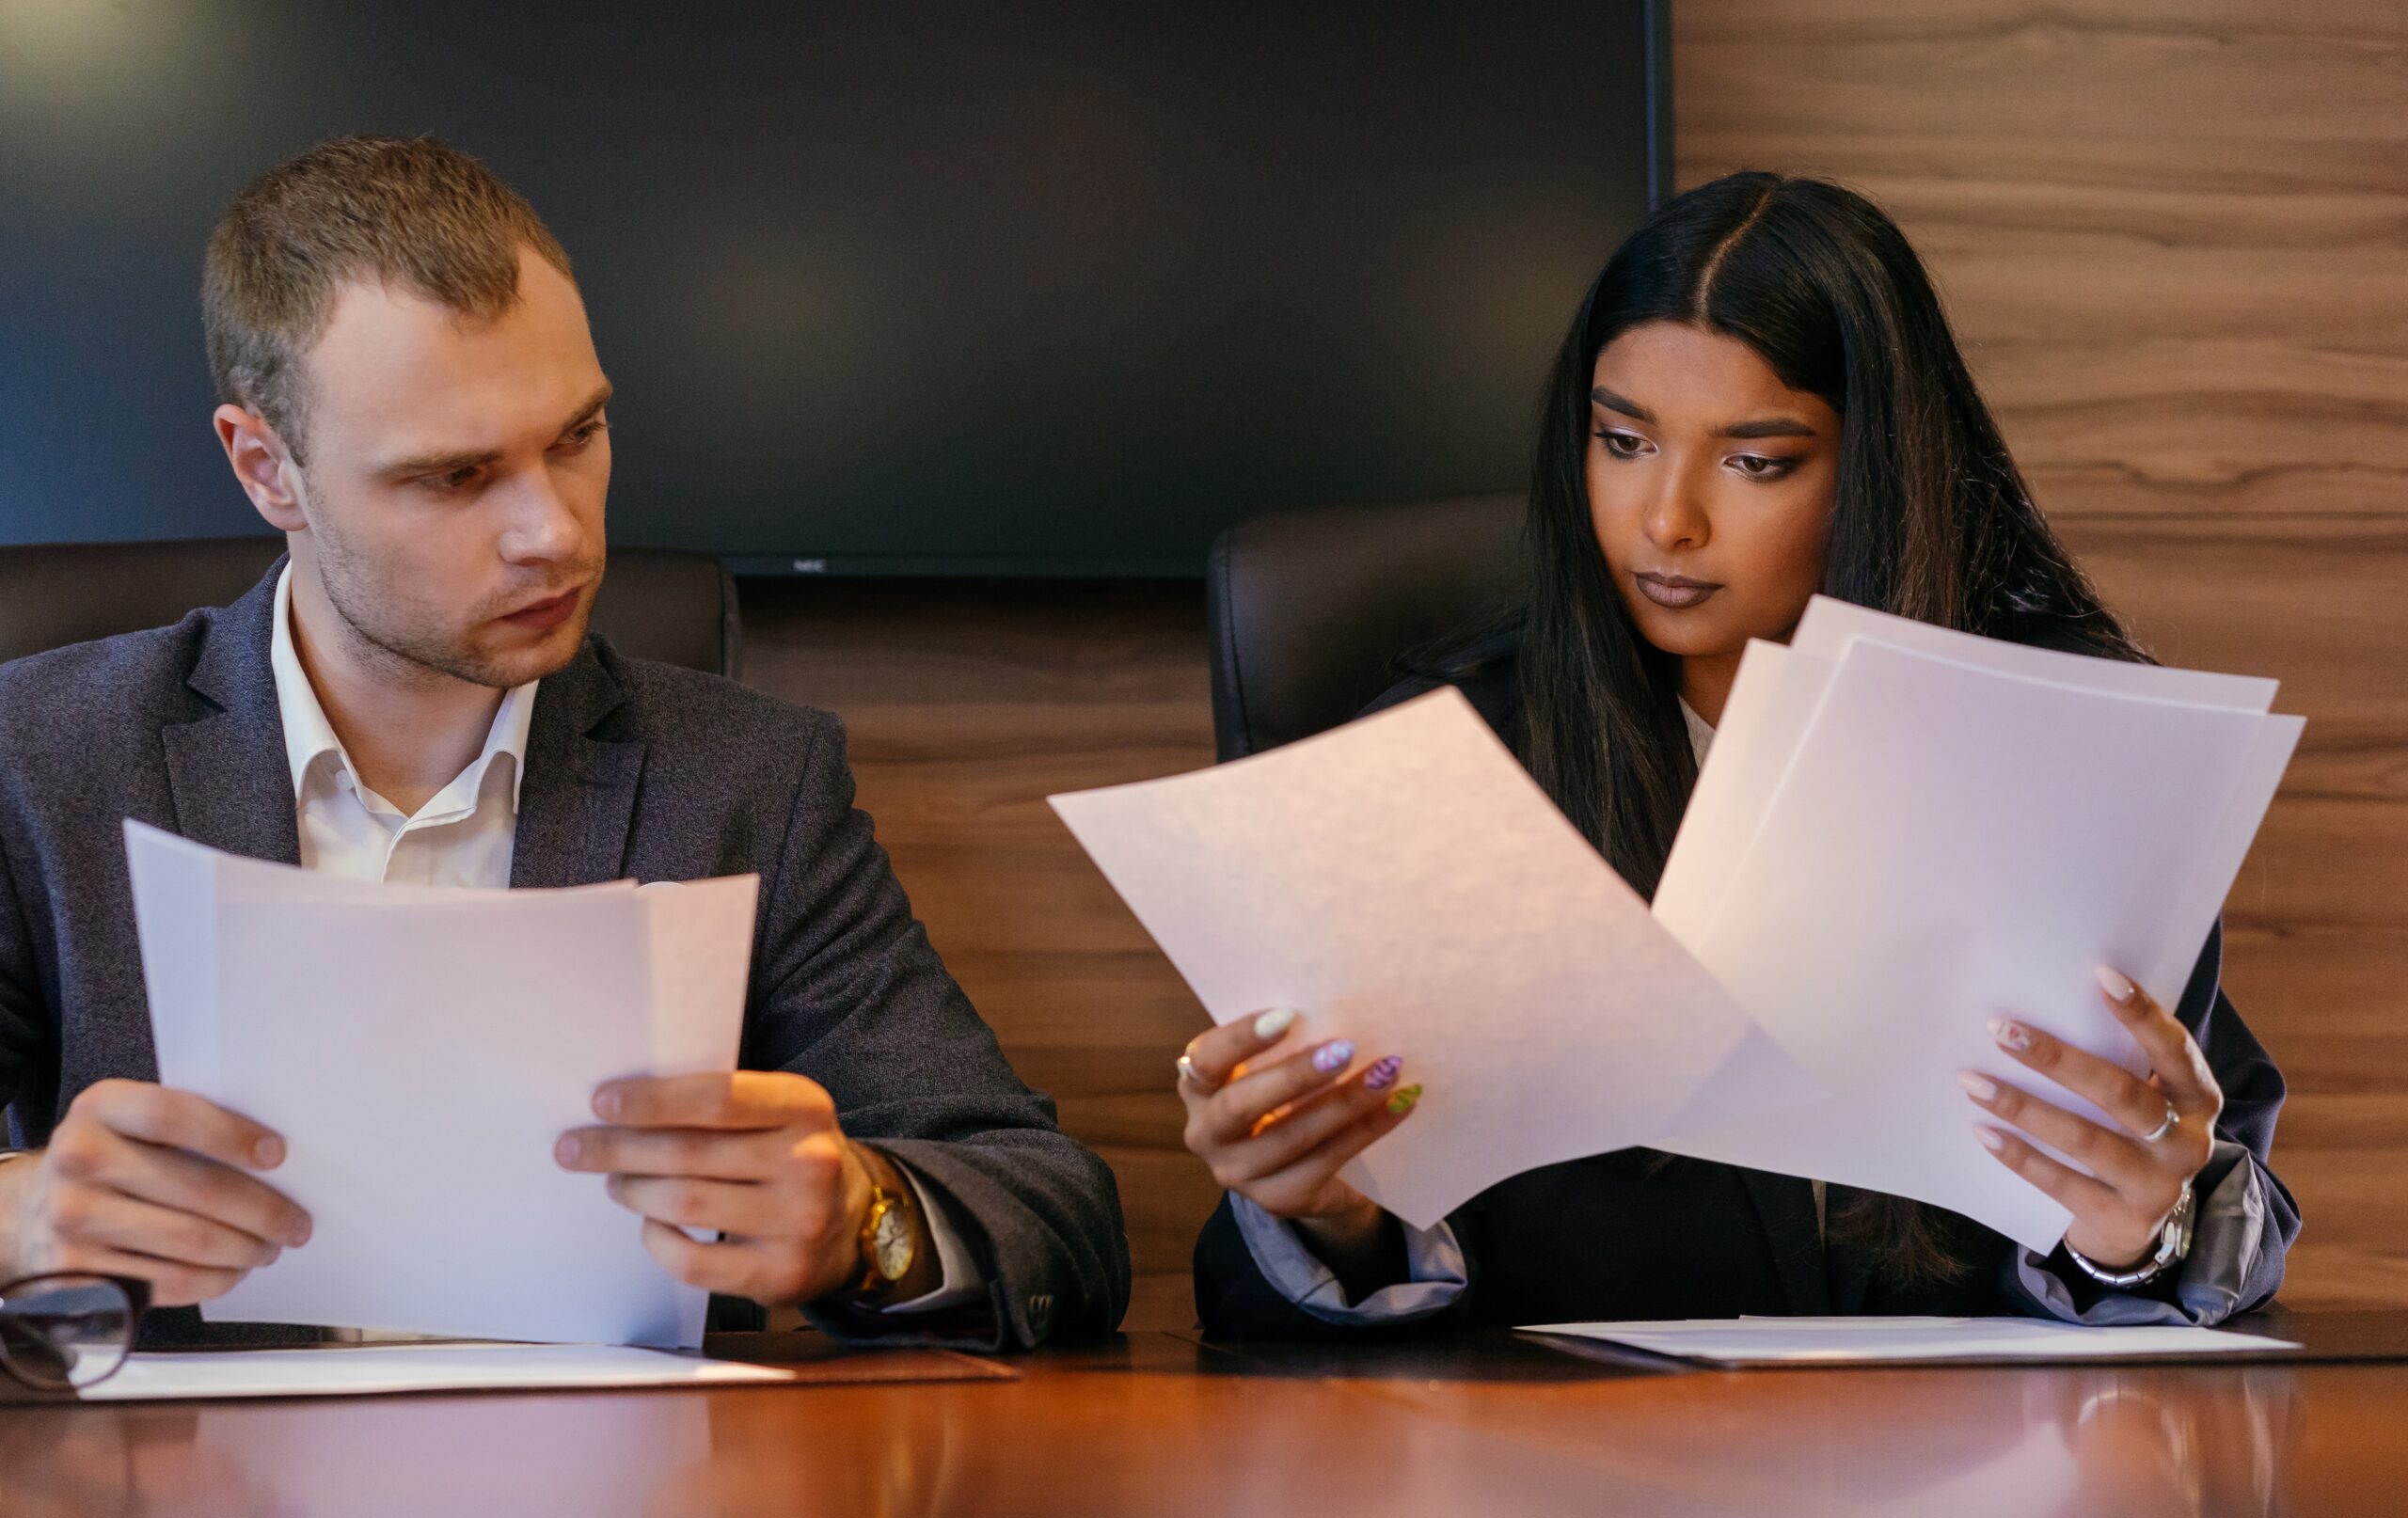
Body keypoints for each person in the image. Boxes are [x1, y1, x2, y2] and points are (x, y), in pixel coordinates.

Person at [0, 135, 1126, 1352]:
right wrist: (18, 1213)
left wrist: (866, 1218)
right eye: (455, 476)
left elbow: (1052, 1205)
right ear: (267, 467)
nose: (554, 530)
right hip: (181, 1509)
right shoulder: (41, 755)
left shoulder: (750, 777)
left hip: (620, 1509)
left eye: (577, 435)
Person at [1183, 172, 2296, 1336]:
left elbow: (2211, 1212)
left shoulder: (2069, 742)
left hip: (1971, 1476)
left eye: (1755, 462)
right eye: (1622, 441)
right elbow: (1250, 1308)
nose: (1667, 520)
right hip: (1565, 1483)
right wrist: (1324, 1213)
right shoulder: (1451, 766)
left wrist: (2136, 1237)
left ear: (1878, 469)